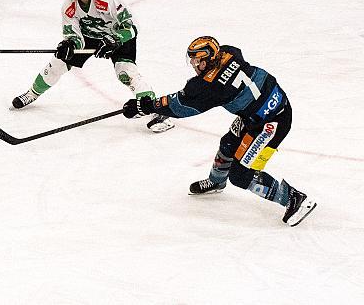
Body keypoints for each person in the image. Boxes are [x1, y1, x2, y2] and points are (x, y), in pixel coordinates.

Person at [122, 36, 317, 226]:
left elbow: (180, 106)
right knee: (228, 144)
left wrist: (144, 106)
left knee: (241, 175)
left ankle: (293, 198)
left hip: (272, 123)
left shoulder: (209, 87)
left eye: (198, 61)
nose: (194, 65)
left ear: (209, 59)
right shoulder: (229, 53)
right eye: (192, 61)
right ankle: (217, 181)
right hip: (263, 109)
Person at [11, 0, 174, 134]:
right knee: (58, 62)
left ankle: (158, 112)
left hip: (118, 36)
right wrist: (70, 45)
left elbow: (132, 27)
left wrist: (114, 39)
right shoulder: (69, 6)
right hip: (89, 37)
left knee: (125, 73)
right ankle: (32, 93)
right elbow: (74, 36)